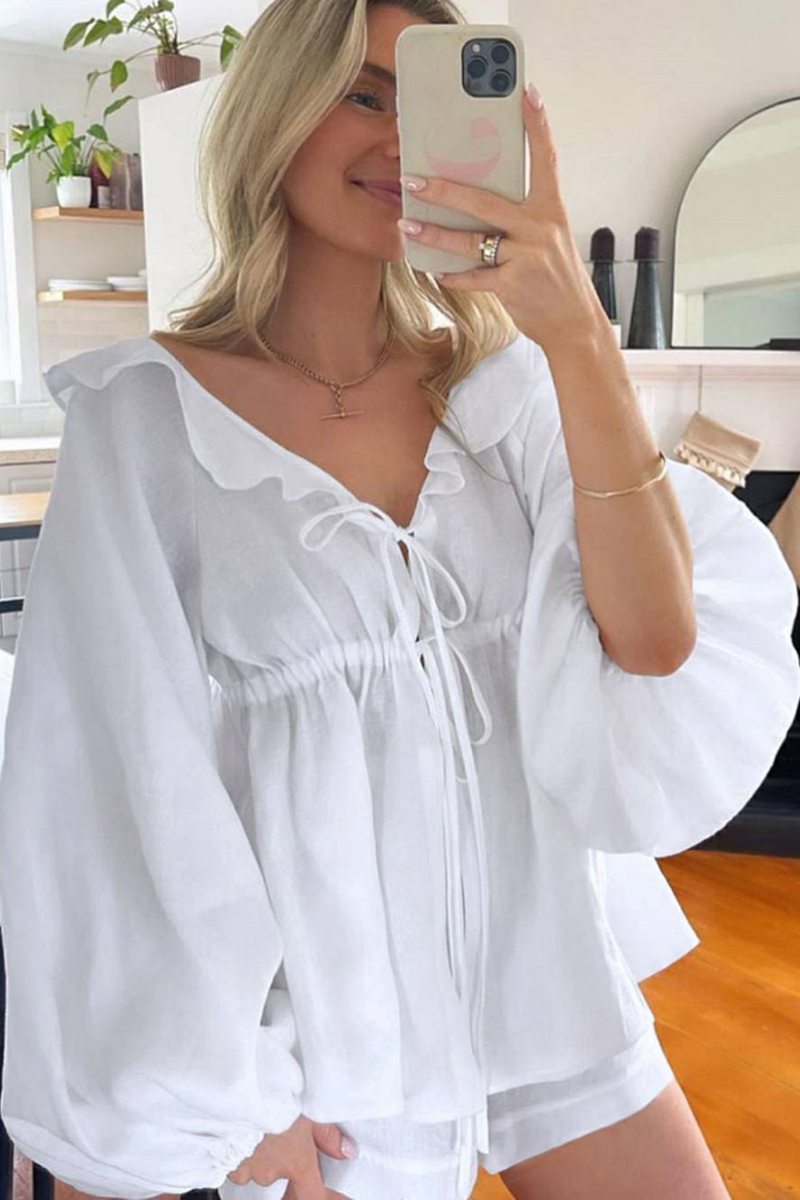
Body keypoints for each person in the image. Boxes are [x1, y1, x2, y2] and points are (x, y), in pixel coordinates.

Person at [0, 2, 798, 1200]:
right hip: (322, 1043)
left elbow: (653, 640)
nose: (396, 138)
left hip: (541, 979)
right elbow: (110, 782)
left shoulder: (500, 388)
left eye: (422, 105)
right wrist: (232, 1095)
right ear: (276, 113)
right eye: (360, 95)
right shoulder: (145, 421)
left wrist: (572, 330)